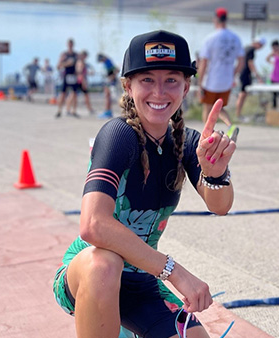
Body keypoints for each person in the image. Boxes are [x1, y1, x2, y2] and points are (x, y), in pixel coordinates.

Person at [52, 30, 236, 338]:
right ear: (128, 86)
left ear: (187, 86)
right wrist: (175, 273)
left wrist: (215, 172)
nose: (160, 92)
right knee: (105, 263)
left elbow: (220, 206)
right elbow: (93, 225)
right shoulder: (118, 135)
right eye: (147, 80)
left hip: (141, 284)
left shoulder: (187, 143)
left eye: (172, 80)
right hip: (89, 273)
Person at [197, 7, 243, 141]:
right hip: (226, 81)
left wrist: (199, 82)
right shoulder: (235, 38)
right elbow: (241, 61)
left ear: (215, 19)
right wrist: (233, 74)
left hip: (211, 80)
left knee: (207, 108)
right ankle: (231, 125)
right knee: (219, 107)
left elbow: (204, 62)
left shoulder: (210, 38)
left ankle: (206, 136)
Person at [235, 37, 266, 121]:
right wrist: (257, 76)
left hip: (242, 72)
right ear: (258, 43)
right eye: (261, 45)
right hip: (245, 74)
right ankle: (238, 115)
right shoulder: (251, 50)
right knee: (242, 94)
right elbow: (250, 63)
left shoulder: (246, 48)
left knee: (243, 94)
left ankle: (238, 114)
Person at [56, 38, 79, 118]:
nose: (70, 45)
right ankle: (59, 110)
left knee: (75, 94)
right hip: (66, 75)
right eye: (69, 44)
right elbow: (58, 66)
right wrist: (67, 63)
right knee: (63, 93)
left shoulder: (76, 55)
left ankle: (74, 111)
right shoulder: (64, 54)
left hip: (74, 76)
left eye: (71, 44)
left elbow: (79, 65)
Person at [97, 53, 118, 119]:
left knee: (107, 96)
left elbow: (116, 70)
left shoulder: (108, 62)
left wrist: (111, 78)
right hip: (109, 80)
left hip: (110, 81)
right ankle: (108, 111)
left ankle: (107, 111)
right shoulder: (107, 62)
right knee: (108, 96)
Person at [74, 50, 94, 114]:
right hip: (81, 80)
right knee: (84, 95)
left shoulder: (81, 62)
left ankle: (89, 109)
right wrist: (83, 81)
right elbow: (80, 72)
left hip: (80, 80)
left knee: (74, 95)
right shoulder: (81, 62)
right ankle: (89, 109)